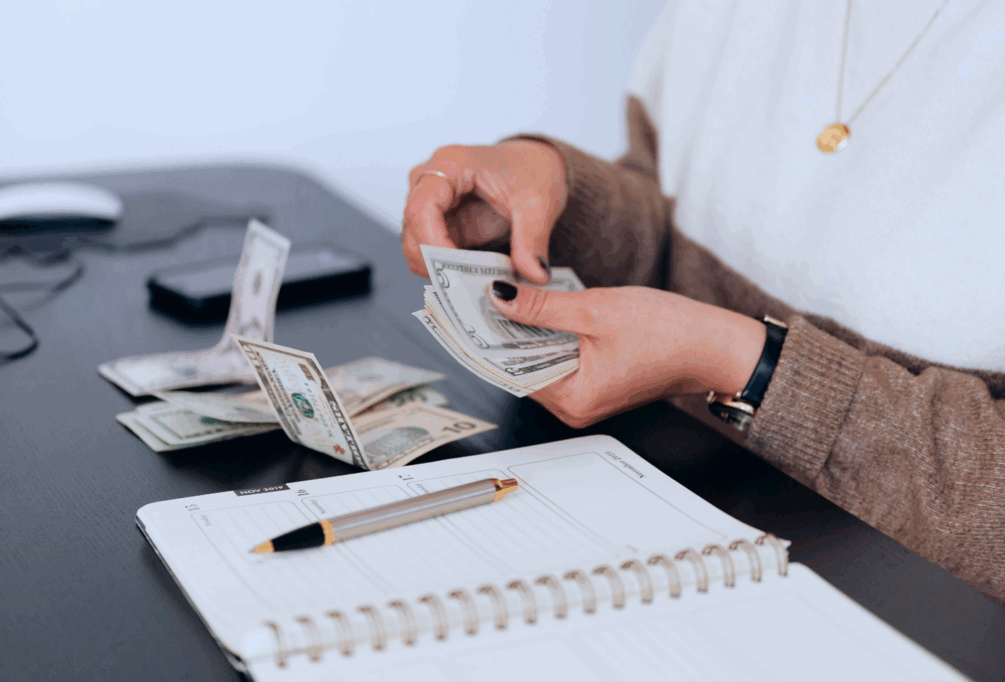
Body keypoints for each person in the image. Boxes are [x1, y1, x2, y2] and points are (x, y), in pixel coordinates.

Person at [399, 0, 1005, 604]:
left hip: (909, 612)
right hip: (667, 526)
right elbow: (675, 211)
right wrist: (560, 192)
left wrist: (746, 365)